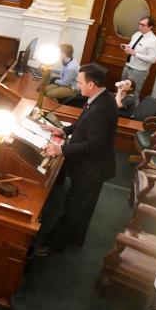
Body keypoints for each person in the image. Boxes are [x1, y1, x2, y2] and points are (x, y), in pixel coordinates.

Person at [36, 63, 118, 256]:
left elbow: (94, 145)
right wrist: (62, 130)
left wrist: (61, 149)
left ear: (91, 84)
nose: (77, 85)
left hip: (92, 168)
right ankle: (74, 239)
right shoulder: (97, 99)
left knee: (74, 207)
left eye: (80, 82)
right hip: (89, 165)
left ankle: (52, 246)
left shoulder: (103, 108)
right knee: (81, 206)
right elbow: (82, 123)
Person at [122, 15, 156, 90]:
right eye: (139, 24)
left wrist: (135, 54)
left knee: (133, 94)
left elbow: (153, 59)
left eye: (143, 25)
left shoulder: (154, 41)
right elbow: (132, 47)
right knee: (121, 89)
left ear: (150, 27)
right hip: (127, 67)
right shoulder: (137, 34)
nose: (139, 26)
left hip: (138, 72)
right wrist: (127, 47)